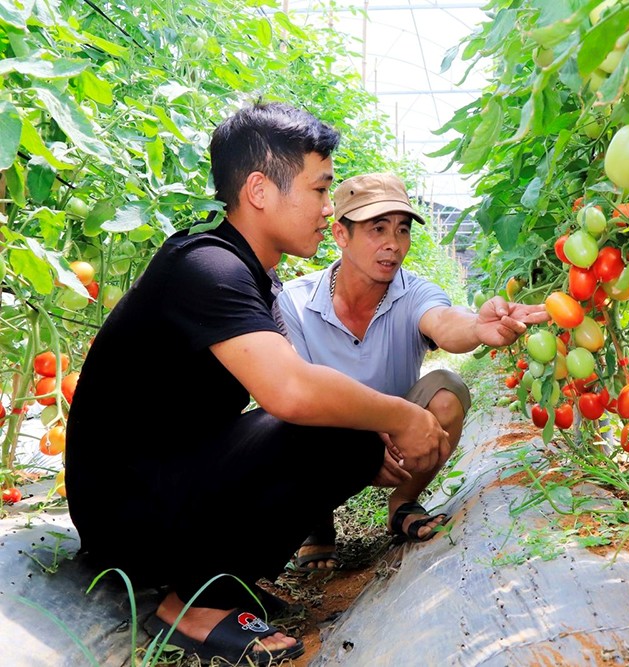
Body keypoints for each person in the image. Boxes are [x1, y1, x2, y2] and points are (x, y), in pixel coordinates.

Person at [64, 103, 453, 666]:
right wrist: (403, 415)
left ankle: (220, 578)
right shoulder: (207, 267)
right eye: (320, 190)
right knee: (341, 429)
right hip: (125, 514)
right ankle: (184, 602)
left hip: (166, 480)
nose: (328, 210)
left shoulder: (246, 273)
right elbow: (290, 391)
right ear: (259, 190)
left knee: (347, 433)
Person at [278, 172, 548, 569]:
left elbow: (443, 320)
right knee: (286, 416)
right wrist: (362, 445)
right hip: (328, 437)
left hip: (399, 437)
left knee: (447, 390)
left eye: (402, 230)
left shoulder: (414, 291)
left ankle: (403, 502)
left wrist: (477, 326)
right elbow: (297, 393)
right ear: (340, 235)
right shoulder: (295, 301)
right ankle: (317, 520)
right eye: (377, 229)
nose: (393, 244)